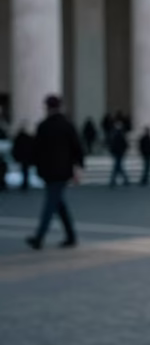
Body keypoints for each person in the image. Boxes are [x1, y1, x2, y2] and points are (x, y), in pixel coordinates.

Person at [25, 95, 83, 250]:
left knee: (51, 204)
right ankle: (71, 236)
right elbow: (77, 147)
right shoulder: (67, 125)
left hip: (47, 171)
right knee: (58, 204)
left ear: (47, 108)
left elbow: (35, 150)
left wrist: (35, 166)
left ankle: (39, 237)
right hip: (63, 170)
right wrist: (78, 166)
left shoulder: (43, 126)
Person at [108, 122, 130, 187]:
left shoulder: (115, 134)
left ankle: (114, 180)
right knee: (118, 167)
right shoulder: (120, 134)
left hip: (118, 153)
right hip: (119, 153)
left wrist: (112, 151)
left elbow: (113, 144)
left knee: (117, 167)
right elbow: (125, 145)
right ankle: (124, 180)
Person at [12, 125, 34, 190]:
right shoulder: (28, 138)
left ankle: (25, 183)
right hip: (26, 156)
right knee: (25, 170)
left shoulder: (19, 138)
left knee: (24, 170)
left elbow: (15, 148)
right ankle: (25, 183)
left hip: (23, 156)